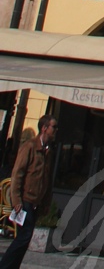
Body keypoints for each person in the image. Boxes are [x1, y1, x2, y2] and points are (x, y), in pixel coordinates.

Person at [0, 115, 58, 269]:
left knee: (26, 237)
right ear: (44, 128)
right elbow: (17, 174)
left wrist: (46, 203)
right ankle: (5, 265)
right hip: (25, 199)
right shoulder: (30, 147)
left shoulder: (48, 151)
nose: (56, 130)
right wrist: (16, 200)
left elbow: (47, 180)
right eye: (54, 127)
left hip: (35, 202)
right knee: (25, 236)